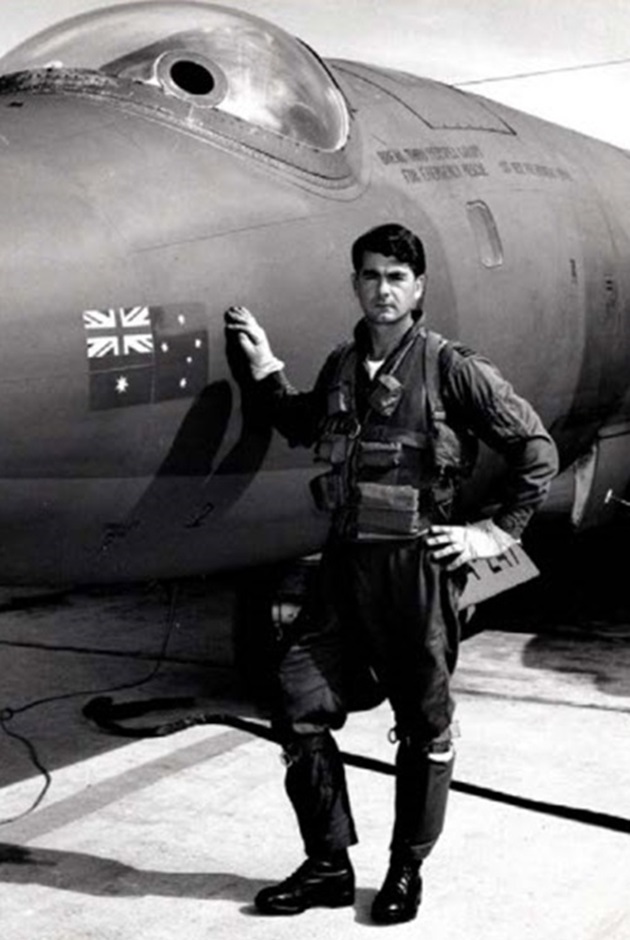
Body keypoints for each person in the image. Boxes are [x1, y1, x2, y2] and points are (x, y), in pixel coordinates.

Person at [224, 223, 558, 924]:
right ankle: (327, 866)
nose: (384, 290)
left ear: (418, 286)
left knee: (423, 725)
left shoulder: (452, 367)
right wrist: (265, 368)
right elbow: (303, 422)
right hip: (345, 565)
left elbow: (536, 449)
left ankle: (406, 868)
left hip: (417, 570)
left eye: (397, 277)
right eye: (372, 275)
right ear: (356, 283)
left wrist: (494, 533)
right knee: (295, 700)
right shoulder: (344, 363)